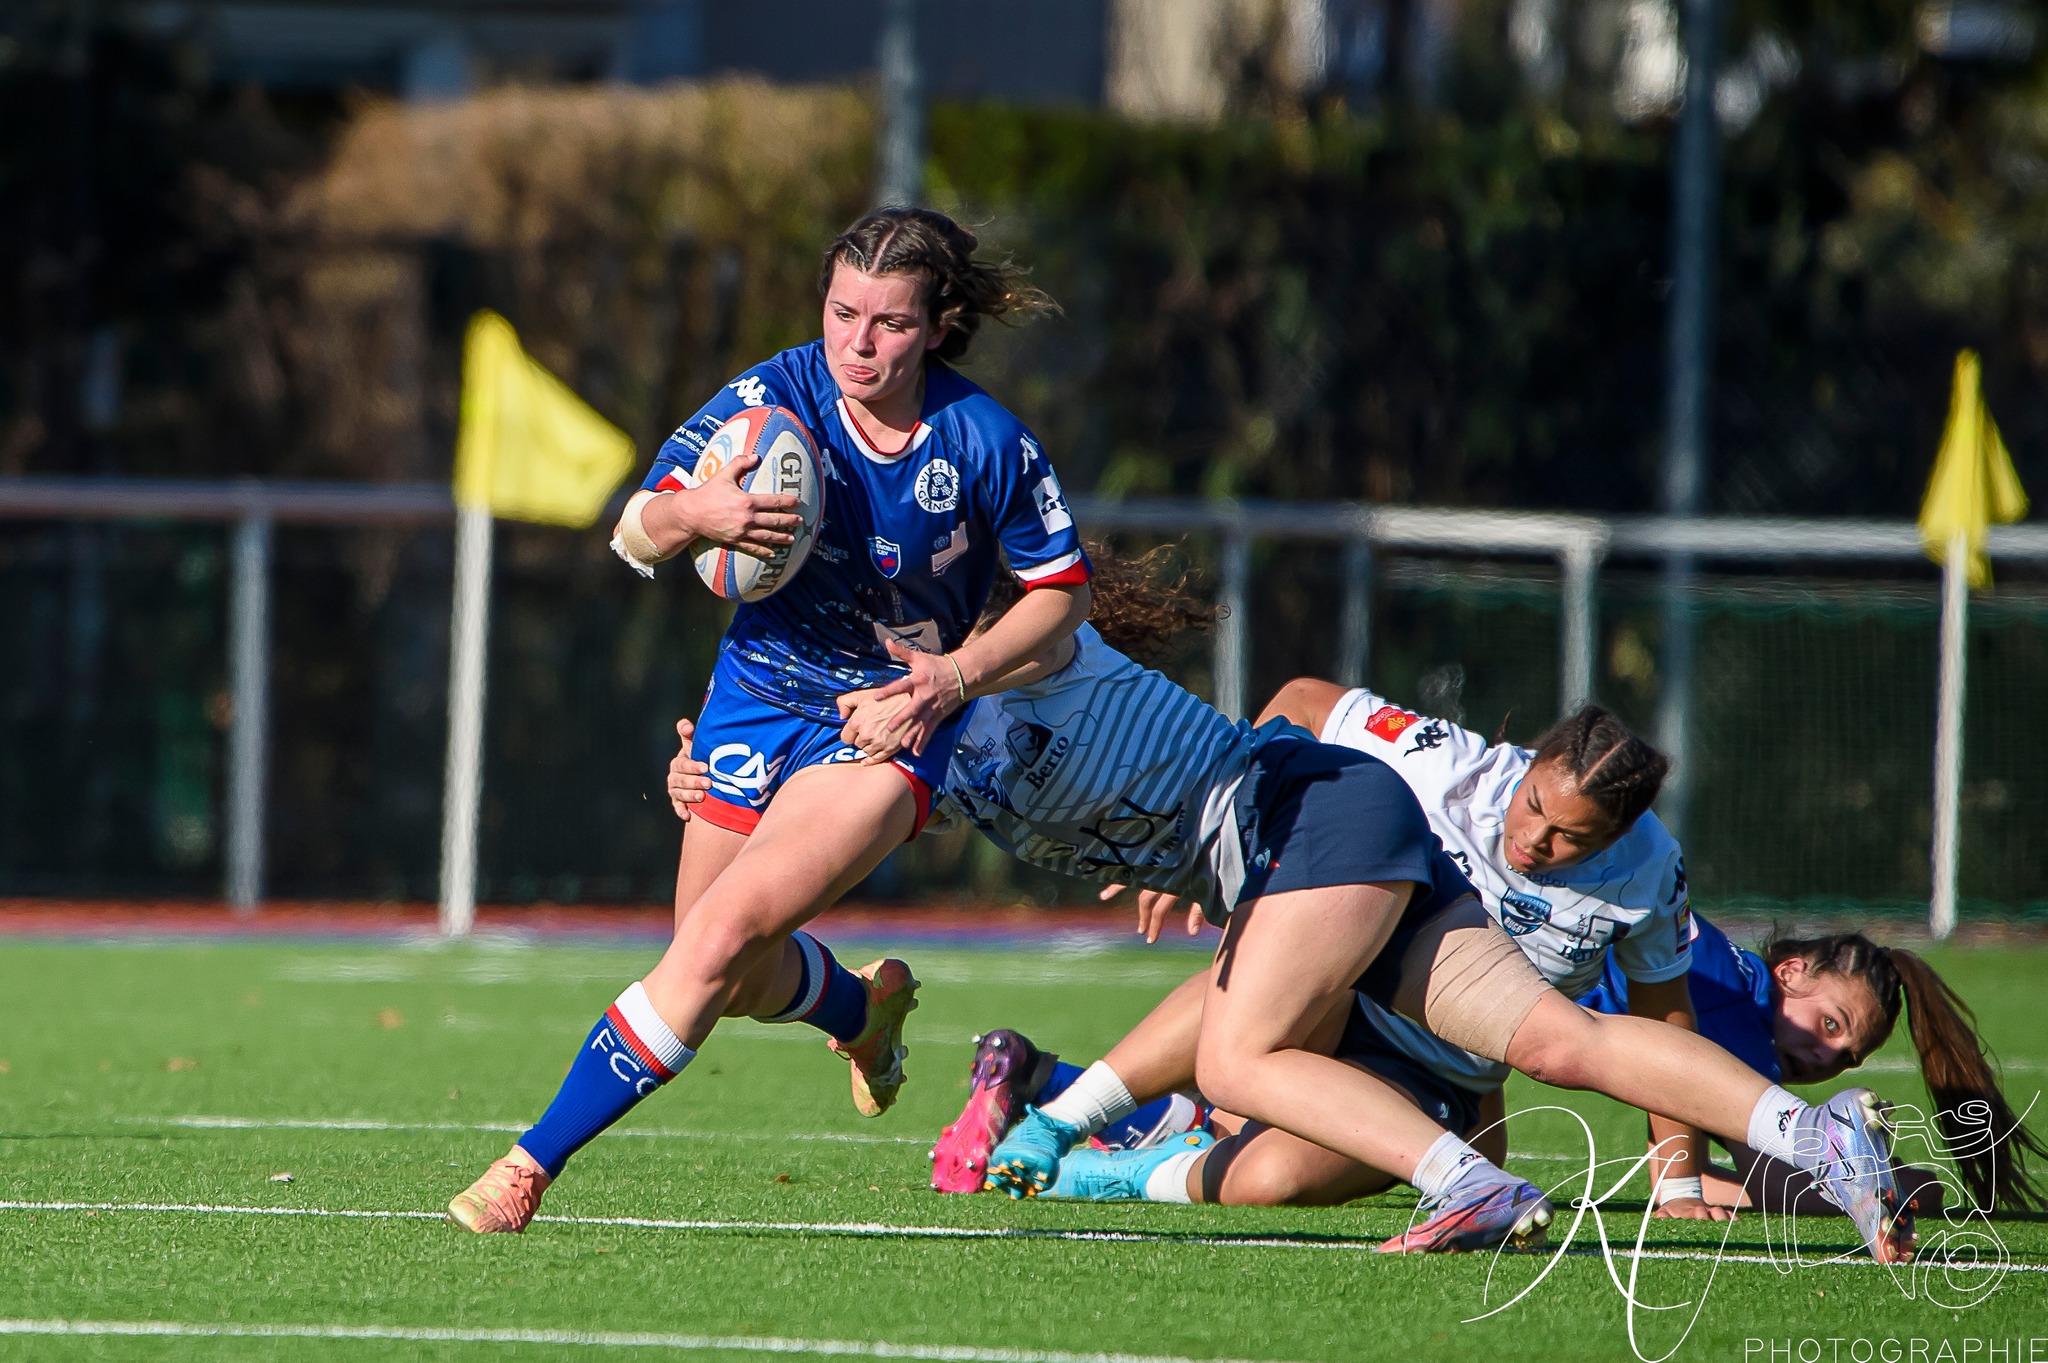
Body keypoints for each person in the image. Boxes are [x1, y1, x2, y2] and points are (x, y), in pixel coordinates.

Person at [668, 551, 1917, 1261]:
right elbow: (837, 806)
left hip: (1346, 844)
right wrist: (711, 782)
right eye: (1535, 813)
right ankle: (1825, 1140)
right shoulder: (931, 738)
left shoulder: (1015, 663)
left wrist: (1223, 843)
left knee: (1239, 1043)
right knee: (1541, 1045)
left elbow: (1078, 642)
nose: (1533, 839)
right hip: (1378, 917)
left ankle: (1074, 1118)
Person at [447, 207, 1093, 1234]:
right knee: (733, 972)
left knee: (713, 941)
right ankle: (858, 1009)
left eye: (886, 322)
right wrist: (692, 515)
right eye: (841, 312)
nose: (856, 342)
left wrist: (952, 679)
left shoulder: (983, 442)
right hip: (752, 696)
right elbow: (633, 526)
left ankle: (528, 1164)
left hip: (885, 716)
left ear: (935, 325)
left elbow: (1060, 593)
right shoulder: (771, 395)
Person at [1580, 914, 2047, 1217]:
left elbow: (1687, 1177)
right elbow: (1776, 1185)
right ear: (1789, 971)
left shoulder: (1731, 991)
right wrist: (1888, 1191)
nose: (1824, 1056)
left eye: (1847, 1057)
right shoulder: (1740, 1018)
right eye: (1829, 1023)